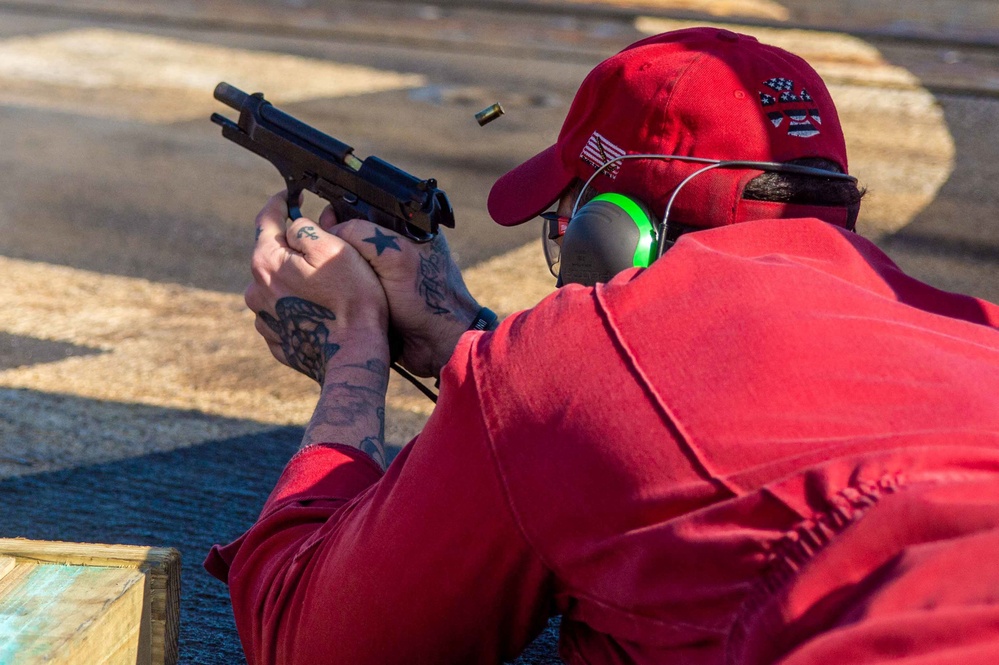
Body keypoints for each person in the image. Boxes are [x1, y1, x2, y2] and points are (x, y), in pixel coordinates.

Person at [205, 27, 999, 665]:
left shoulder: (563, 365)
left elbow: (307, 634)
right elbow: (642, 426)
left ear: (609, 236)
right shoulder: (975, 332)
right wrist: (467, 339)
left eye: (563, 221)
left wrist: (352, 349)